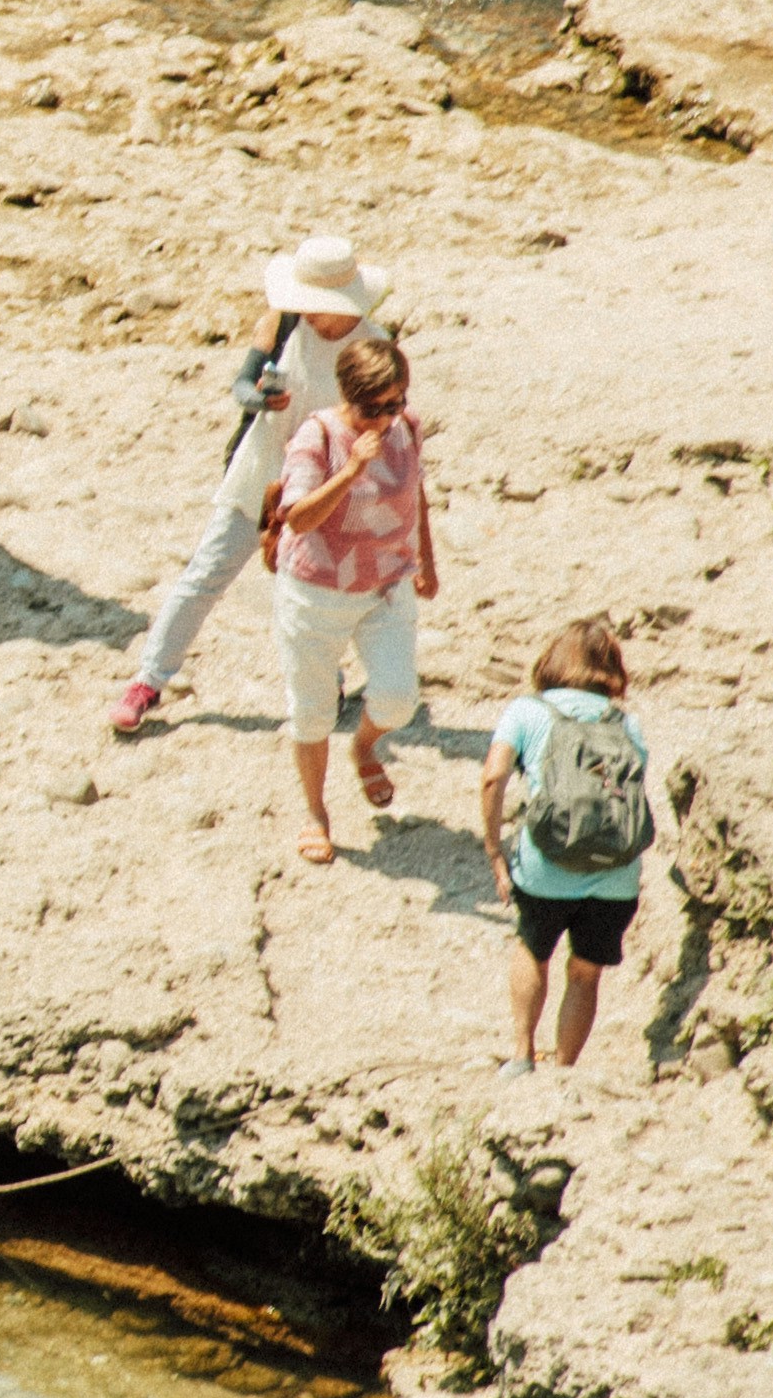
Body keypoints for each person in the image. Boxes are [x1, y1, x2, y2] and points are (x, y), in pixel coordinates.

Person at [105, 233, 383, 740]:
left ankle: (329, 685)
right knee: (205, 575)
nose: (309, 313)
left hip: (323, 489)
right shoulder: (282, 322)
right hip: (261, 474)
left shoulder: (372, 347)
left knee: (311, 595)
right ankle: (147, 681)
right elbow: (242, 384)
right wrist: (257, 401)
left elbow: (384, 423)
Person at [266, 328, 436, 865]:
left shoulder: (407, 428)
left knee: (397, 698)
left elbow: (416, 495)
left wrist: (426, 560)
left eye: (396, 402)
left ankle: (362, 745)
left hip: (385, 583)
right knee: (312, 712)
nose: (386, 417)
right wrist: (353, 469)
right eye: (374, 408)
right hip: (317, 588)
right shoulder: (317, 436)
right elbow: (300, 516)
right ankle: (316, 812)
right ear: (348, 397)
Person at [477, 619, 660, 1076]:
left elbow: (493, 777)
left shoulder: (526, 711)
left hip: (547, 862)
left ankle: (521, 1054)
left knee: (533, 949)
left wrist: (495, 851)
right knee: (585, 973)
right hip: (616, 871)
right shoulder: (626, 723)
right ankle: (564, 1068)